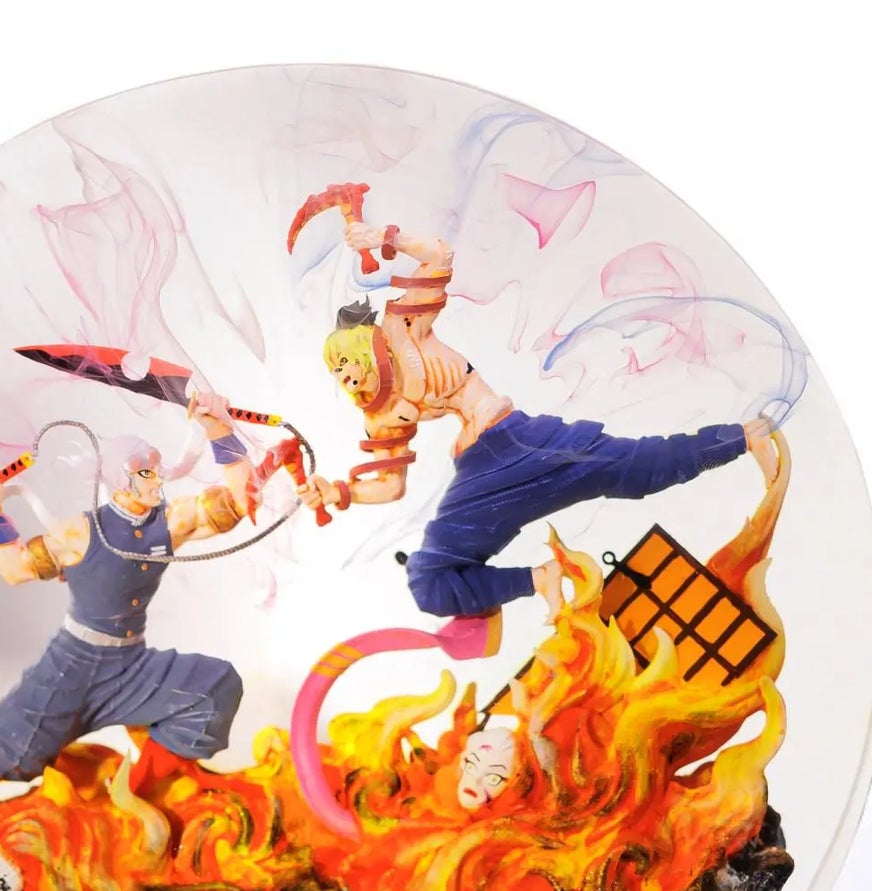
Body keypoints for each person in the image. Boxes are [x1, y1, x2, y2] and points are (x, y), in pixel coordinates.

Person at [301, 214, 779, 618]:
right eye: (336, 374)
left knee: (640, 471)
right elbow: (390, 486)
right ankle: (540, 577)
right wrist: (339, 492)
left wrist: (383, 237)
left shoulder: (402, 327)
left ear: (360, 349)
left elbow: (438, 256)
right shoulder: (382, 414)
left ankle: (744, 437)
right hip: (484, 475)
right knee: (429, 582)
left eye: (344, 364)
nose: (344, 378)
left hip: (519, 439)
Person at [0, 395, 256, 805]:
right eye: (145, 471)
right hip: (72, 665)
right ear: (120, 479)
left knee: (213, 688)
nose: (157, 479)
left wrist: (217, 428)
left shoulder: (171, 521)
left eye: (156, 468)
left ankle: (130, 798)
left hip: (131, 664)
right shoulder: (80, 533)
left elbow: (242, 500)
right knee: (10, 748)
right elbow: (14, 570)